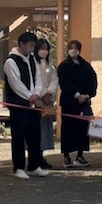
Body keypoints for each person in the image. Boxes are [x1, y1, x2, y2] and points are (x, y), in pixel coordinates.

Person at [3, 32, 48, 179]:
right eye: (30, 45)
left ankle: (34, 165)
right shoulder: (11, 61)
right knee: (19, 136)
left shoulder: (32, 59)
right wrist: (29, 96)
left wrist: (36, 93)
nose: (32, 48)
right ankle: (19, 167)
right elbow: (15, 83)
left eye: (33, 46)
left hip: (33, 105)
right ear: (21, 44)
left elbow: (38, 78)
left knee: (35, 135)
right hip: (18, 105)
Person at [57, 39, 97, 168]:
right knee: (68, 129)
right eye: (71, 48)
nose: (73, 50)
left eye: (76, 48)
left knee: (82, 130)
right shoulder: (63, 66)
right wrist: (76, 94)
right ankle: (66, 157)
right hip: (69, 103)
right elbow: (64, 83)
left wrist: (87, 95)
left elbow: (93, 80)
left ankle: (80, 156)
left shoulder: (86, 66)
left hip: (83, 104)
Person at [35, 38, 58, 169]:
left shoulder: (51, 66)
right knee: (36, 131)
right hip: (36, 100)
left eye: (46, 49)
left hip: (47, 103)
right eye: (41, 48)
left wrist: (49, 93)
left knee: (45, 132)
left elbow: (54, 80)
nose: (44, 51)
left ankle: (41, 156)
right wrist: (43, 94)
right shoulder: (33, 64)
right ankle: (35, 157)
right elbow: (35, 81)